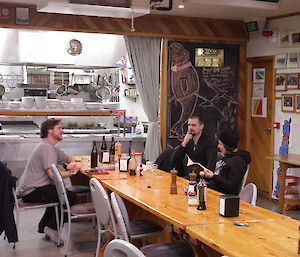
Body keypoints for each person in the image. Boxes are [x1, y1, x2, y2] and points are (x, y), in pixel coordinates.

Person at [17, 118, 81, 245]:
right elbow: (53, 175)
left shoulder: (50, 146)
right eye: (59, 128)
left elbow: (67, 157)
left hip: (35, 189)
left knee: (59, 194)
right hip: (31, 191)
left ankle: (45, 226)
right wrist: (73, 172)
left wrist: (73, 162)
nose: (62, 131)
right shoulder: (46, 148)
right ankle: (52, 229)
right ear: (50, 131)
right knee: (67, 196)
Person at [203, 128, 251, 196]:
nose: (218, 146)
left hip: (222, 197)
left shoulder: (237, 162)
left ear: (227, 146)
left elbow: (231, 186)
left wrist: (213, 176)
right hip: (212, 190)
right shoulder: (228, 157)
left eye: (220, 144)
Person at [172, 114, 217, 178]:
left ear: (201, 126)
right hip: (189, 176)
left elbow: (211, 167)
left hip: (202, 178)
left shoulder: (209, 143)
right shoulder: (188, 142)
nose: (190, 128)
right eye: (189, 125)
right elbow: (175, 159)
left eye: (194, 125)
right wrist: (184, 143)